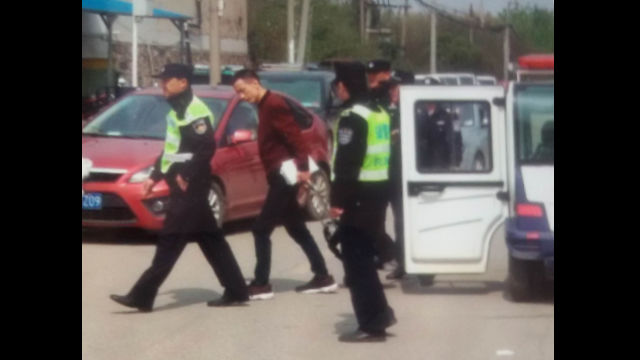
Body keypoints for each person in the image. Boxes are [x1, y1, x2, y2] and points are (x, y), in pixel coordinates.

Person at [110, 63, 250, 311]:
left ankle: (142, 295)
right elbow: (171, 151)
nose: (162, 84)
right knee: (211, 238)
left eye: (167, 80)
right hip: (182, 181)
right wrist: (154, 177)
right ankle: (237, 289)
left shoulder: (195, 111)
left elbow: (206, 148)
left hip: (190, 183)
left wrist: (186, 174)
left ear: (182, 82)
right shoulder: (177, 111)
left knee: (170, 239)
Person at [231, 69, 337, 300]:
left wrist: (303, 169)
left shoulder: (274, 104)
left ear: (255, 83)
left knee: (261, 229)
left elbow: (294, 136)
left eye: (242, 90)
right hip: (281, 174)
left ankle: (261, 284)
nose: (241, 96)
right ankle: (322, 276)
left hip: (285, 175)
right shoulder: (264, 105)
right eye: (237, 93)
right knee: (296, 227)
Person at [330, 61, 397, 342]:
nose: (336, 90)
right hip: (377, 192)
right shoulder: (379, 112)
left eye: (338, 85)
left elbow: (348, 163)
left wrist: (337, 201)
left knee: (357, 264)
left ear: (345, 87)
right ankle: (380, 314)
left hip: (357, 195)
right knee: (364, 260)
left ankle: (372, 323)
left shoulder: (353, 117)